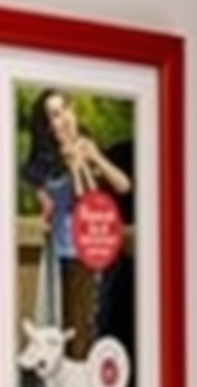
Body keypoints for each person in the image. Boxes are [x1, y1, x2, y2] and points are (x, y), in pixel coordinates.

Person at [23, 88, 134, 371]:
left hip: (103, 244)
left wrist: (93, 158)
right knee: (78, 324)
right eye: (55, 115)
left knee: (105, 319)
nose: (65, 119)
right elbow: (81, 201)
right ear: (48, 125)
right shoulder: (48, 163)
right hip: (72, 249)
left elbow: (123, 185)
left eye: (66, 109)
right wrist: (75, 168)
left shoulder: (88, 146)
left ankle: (101, 383)